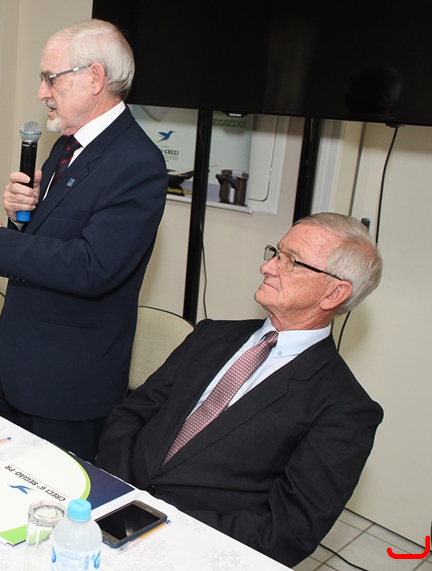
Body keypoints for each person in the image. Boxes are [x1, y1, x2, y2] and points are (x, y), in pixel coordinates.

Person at [95, 213, 384, 567]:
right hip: (113, 502)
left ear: (334, 293)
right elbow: (131, 413)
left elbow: (288, 531)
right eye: (276, 252)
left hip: (193, 550)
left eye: (291, 261)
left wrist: (165, 525)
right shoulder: (211, 335)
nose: (267, 267)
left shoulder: (345, 408)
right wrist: (120, 491)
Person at [0, 20, 168, 461]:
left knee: (51, 496)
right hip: (12, 365)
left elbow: (93, 266)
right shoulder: (66, 145)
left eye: (50, 78)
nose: (42, 92)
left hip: (66, 387)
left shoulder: (137, 162)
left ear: (95, 78)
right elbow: (53, 239)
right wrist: (22, 216)